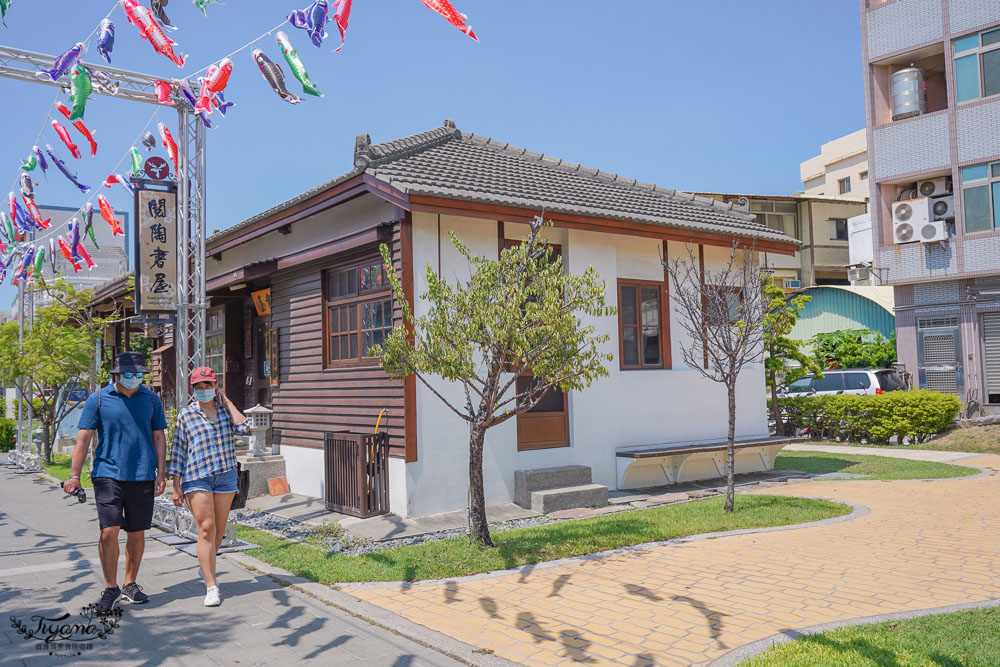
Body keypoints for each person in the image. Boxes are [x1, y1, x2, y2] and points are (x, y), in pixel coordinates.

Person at [63, 351, 168, 615]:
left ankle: (129, 584)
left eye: (139, 374)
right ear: (117, 374)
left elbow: (158, 437)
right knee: (109, 531)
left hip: (143, 474)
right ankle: (110, 588)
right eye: (129, 374)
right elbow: (84, 438)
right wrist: (74, 475)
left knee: (136, 532)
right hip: (107, 473)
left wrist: (161, 472)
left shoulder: (152, 399)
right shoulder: (98, 400)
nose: (135, 378)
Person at [169, 367, 247, 607]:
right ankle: (212, 586)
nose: (204, 391)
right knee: (206, 528)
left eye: (208, 386)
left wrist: (229, 402)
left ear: (216, 386)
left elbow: (244, 428)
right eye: (199, 387)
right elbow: (179, 450)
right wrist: (175, 485)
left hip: (225, 477)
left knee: (219, 532)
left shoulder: (225, 412)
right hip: (197, 477)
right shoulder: (186, 415)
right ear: (193, 389)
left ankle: (207, 566)